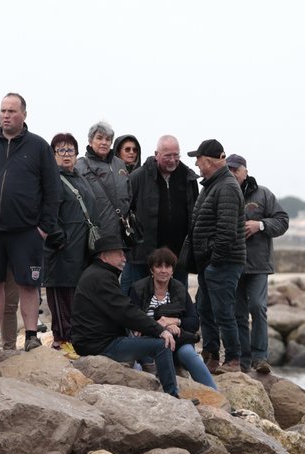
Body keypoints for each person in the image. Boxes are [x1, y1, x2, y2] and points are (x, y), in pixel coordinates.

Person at [0, 93, 61, 351]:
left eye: (11, 111)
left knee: (29, 284)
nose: (6, 115)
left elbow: (52, 191)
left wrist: (43, 229)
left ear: (24, 115)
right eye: (3, 110)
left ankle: (30, 336)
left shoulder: (39, 147)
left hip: (27, 231)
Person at [71, 235, 181, 397]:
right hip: (100, 345)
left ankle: (149, 374)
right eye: (119, 254)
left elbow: (121, 311)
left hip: (92, 340)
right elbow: (125, 310)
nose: (124, 258)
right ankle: (173, 395)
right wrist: (159, 330)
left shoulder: (97, 273)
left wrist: (137, 326)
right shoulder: (101, 277)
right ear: (104, 256)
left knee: (141, 334)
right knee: (162, 344)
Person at [185, 139, 246, 374]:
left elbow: (227, 231)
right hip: (209, 263)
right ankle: (211, 356)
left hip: (223, 263)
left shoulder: (227, 187)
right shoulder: (212, 184)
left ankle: (233, 359)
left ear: (208, 161)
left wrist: (214, 262)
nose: (197, 164)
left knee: (223, 312)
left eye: (198, 159)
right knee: (205, 309)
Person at [227, 155, 289, 374]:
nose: (233, 172)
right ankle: (243, 361)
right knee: (237, 313)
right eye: (229, 169)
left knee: (258, 307)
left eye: (236, 169)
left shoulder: (263, 194)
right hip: (231, 263)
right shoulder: (221, 191)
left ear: (245, 171)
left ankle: (260, 358)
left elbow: (282, 221)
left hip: (258, 264)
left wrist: (260, 225)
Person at [129, 248, 217, 389]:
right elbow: (132, 319)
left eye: (168, 266)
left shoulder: (179, 288)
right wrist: (160, 326)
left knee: (189, 354)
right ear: (152, 270)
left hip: (177, 341)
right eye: (159, 266)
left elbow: (194, 322)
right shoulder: (139, 288)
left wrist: (175, 321)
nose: (163, 270)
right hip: (149, 340)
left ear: (172, 270)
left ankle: (216, 395)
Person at [42, 133, 97, 359]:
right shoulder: (51, 179)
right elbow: (46, 212)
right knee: (61, 294)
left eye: (70, 150)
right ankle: (61, 339)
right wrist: (58, 238)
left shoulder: (80, 177)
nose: (67, 155)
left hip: (81, 247)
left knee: (77, 296)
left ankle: (75, 338)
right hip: (61, 249)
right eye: (61, 150)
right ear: (53, 155)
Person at [126, 135, 199, 294]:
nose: (172, 160)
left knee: (178, 299)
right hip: (144, 254)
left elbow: (195, 213)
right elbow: (125, 211)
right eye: (167, 156)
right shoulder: (138, 177)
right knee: (138, 299)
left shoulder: (189, 177)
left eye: (176, 155)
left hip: (178, 255)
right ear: (156, 154)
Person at [75, 121, 131, 242]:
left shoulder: (120, 164)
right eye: (99, 138)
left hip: (121, 235)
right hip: (95, 235)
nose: (104, 143)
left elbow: (128, 195)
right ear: (90, 141)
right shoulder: (80, 166)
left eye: (108, 139)